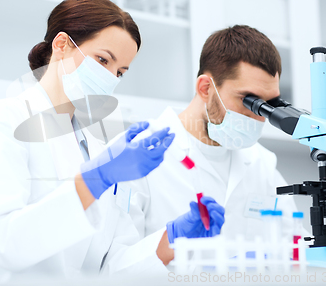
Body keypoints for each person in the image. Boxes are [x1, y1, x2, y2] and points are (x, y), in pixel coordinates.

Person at [0, 0, 224, 284]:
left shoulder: (100, 145)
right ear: (61, 45)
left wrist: (171, 240)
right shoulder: (2, 120)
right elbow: (5, 244)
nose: (111, 78)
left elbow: (107, 268)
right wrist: (96, 178)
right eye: (103, 60)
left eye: (120, 72)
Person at [111, 25, 303, 266]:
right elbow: (112, 267)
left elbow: (296, 248)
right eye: (249, 101)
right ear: (205, 88)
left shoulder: (261, 163)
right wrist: (170, 242)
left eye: (268, 105)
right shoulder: (137, 153)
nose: (259, 117)